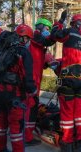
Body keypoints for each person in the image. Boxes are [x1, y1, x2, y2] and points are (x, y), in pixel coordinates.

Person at [50, 11, 81, 152]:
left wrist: (60, 21)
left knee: (67, 115)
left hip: (69, 80)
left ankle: (67, 144)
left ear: (73, 23)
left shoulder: (69, 32)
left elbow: (55, 34)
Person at [0, 28, 37, 152]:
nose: (29, 41)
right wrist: (33, 91)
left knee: (1, 122)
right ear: (25, 38)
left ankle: (1, 148)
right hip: (15, 94)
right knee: (16, 126)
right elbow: (28, 77)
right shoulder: (23, 52)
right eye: (28, 38)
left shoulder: (3, 49)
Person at [23, 18, 55, 146]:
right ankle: (27, 137)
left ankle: (21, 132)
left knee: (26, 108)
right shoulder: (35, 38)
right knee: (30, 108)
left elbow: (38, 61)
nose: (48, 32)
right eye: (47, 29)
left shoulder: (38, 44)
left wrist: (48, 63)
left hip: (32, 80)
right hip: (31, 81)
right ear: (41, 27)